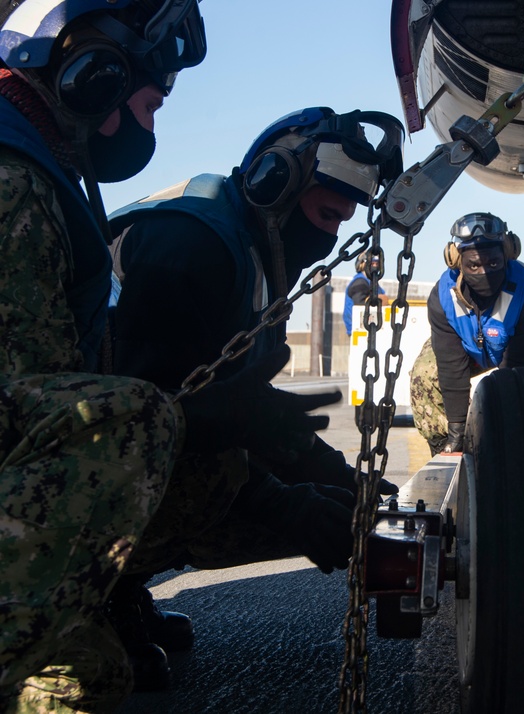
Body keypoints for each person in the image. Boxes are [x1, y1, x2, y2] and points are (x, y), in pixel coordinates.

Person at [0, 1, 340, 711]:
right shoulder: (21, 185)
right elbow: (47, 416)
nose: (154, 126)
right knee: (128, 424)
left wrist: (321, 488)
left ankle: (97, 604)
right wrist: (283, 497)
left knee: (88, 677)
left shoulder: (48, 171)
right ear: (94, 79)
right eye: (152, 103)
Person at [106, 107, 403, 687]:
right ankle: (87, 597)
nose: (329, 237)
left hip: (123, 442)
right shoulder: (189, 248)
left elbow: (240, 408)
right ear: (276, 184)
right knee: (219, 485)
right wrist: (286, 506)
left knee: (315, 496)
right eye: (324, 215)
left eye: (341, 223)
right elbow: (156, 425)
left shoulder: (249, 249)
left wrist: (344, 479)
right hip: (68, 453)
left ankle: (116, 587)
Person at [410, 212, 524, 455]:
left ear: (507, 255)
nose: (483, 271)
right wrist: (457, 429)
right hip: (470, 349)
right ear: (457, 261)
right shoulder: (443, 296)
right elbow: (451, 365)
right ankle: (446, 446)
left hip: (522, 353)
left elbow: (516, 367)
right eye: (473, 265)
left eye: (493, 263)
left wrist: (499, 427)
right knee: (425, 372)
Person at [343, 248, 386, 336]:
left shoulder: (373, 283)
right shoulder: (360, 282)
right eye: (372, 263)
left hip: (371, 328)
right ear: (363, 264)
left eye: (377, 263)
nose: (375, 266)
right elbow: (360, 306)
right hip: (359, 330)